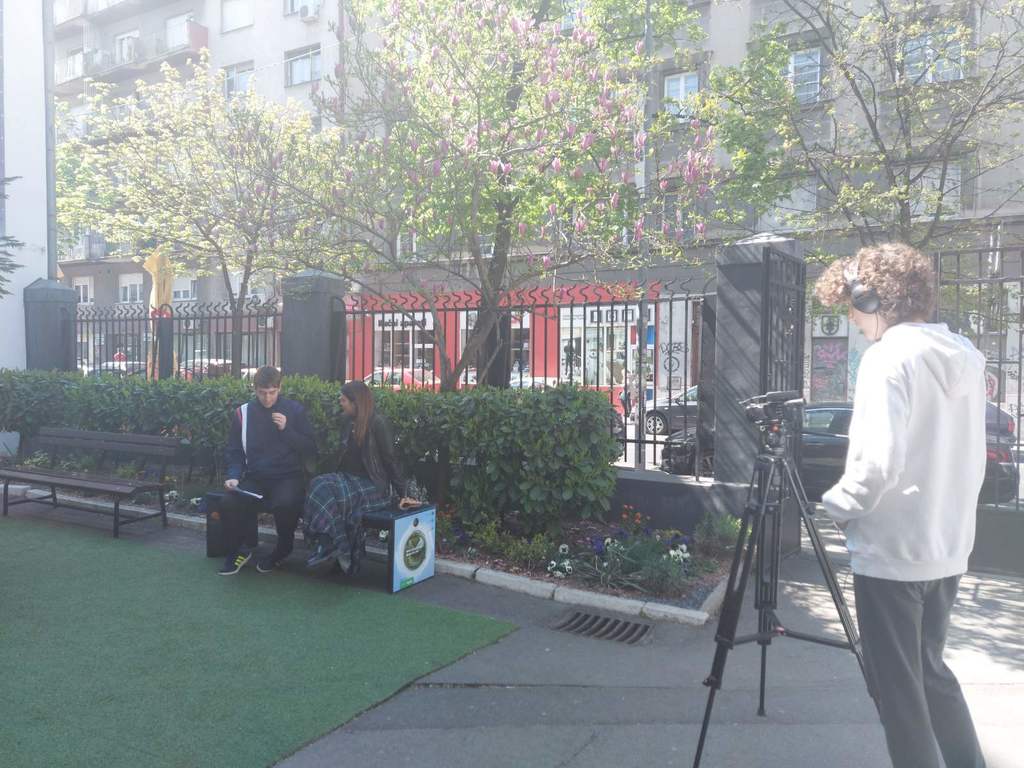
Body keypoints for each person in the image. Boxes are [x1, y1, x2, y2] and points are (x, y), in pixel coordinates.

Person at [814, 243, 987, 768]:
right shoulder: (965, 356)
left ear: (872, 298)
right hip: (946, 548)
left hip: (891, 554)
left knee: (900, 696)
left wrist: (834, 505)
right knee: (930, 673)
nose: (851, 318)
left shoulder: (887, 358)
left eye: (851, 305)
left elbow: (876, 466)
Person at [303, 380, 421, 575]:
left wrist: (404, 494)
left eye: (343, 400)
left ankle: (333, 546)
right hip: (348, 480)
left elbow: (390, 460)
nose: (340, 403)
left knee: (324, 487)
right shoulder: (346, 421)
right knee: (319, 485)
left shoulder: (378, 423)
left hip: (373, 486)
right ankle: (333, 545)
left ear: (355, 402)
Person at [217, 366, 317, 576]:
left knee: (284, 503)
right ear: (254, 389)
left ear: (280, 388)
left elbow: (310, 448)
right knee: (229, 501)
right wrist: (234, 476)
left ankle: (283, 548)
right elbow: (234, 450)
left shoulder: (294, 410)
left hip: (288, 477)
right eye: (262, 392)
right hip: (256, 477)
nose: (267, 398)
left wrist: (287, 430)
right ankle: (241, 550)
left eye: (272, 392)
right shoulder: (243, 413)